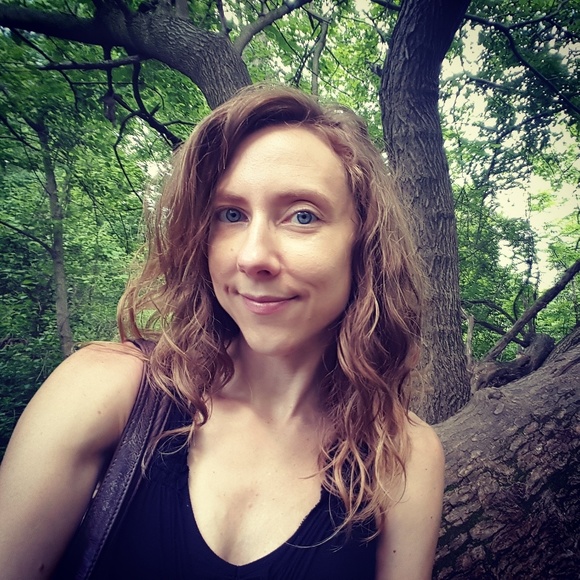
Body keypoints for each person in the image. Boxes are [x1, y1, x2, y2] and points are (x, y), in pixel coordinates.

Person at [0, 84, 444, 579]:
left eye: (302, 216)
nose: (252, 256)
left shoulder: (403, 454)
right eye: (231, 215)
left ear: (364, 243)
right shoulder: (104, 386)